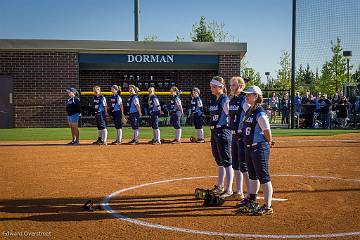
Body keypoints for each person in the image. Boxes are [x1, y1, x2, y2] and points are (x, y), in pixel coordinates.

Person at [235, 85, 274, 216]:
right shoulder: (250, 110)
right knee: (252, 175)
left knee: (263, 176)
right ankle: (252, 200)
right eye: (246, 94)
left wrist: (267, 142)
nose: (246, 96)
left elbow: (267, 131)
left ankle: (268, 206)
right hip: (249, 147)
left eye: (249, 95)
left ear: (256, 96)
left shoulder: (260, 112)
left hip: (259, 147)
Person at [220, 76, 251, 201]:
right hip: (233, 135)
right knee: (236, 166)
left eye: (233, 85)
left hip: (242, 135)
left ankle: (250, 195)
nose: (230, 87)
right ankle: (239, 191)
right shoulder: (232, 100)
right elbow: (228, 113)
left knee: (244, 166)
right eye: (230, 85)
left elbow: (250, 113)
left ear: (240, 86)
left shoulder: (243, 99)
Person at [209, 76, 233, 196]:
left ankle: (229, 189)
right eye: (211, 87)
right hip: (214, 132)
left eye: (214, 87)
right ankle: (220, 185)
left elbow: (230, 115)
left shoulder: (224, 99)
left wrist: (230, 129)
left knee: (226, 160)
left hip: (223, 131)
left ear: (221, 87)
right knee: (219, 160)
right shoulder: (215, 100)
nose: (212, 89)